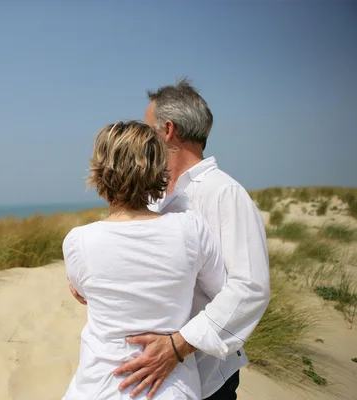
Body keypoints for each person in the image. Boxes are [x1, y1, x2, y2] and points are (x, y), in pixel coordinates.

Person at [109, 79, 271, 399]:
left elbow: (250, 287)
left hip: (206, 377)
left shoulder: (224, 193)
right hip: (152, 378)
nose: (143, 137)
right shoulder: (154, 195)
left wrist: (177, 345)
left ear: (167, 130)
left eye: (147, 128)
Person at [63, 120, 228, 400]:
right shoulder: (190, 229)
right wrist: (181, 342)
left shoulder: (79, 241)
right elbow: (223, 295)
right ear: (158, 170)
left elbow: (82, 290)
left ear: (100, 171)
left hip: (98, 388)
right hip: (173, 390)